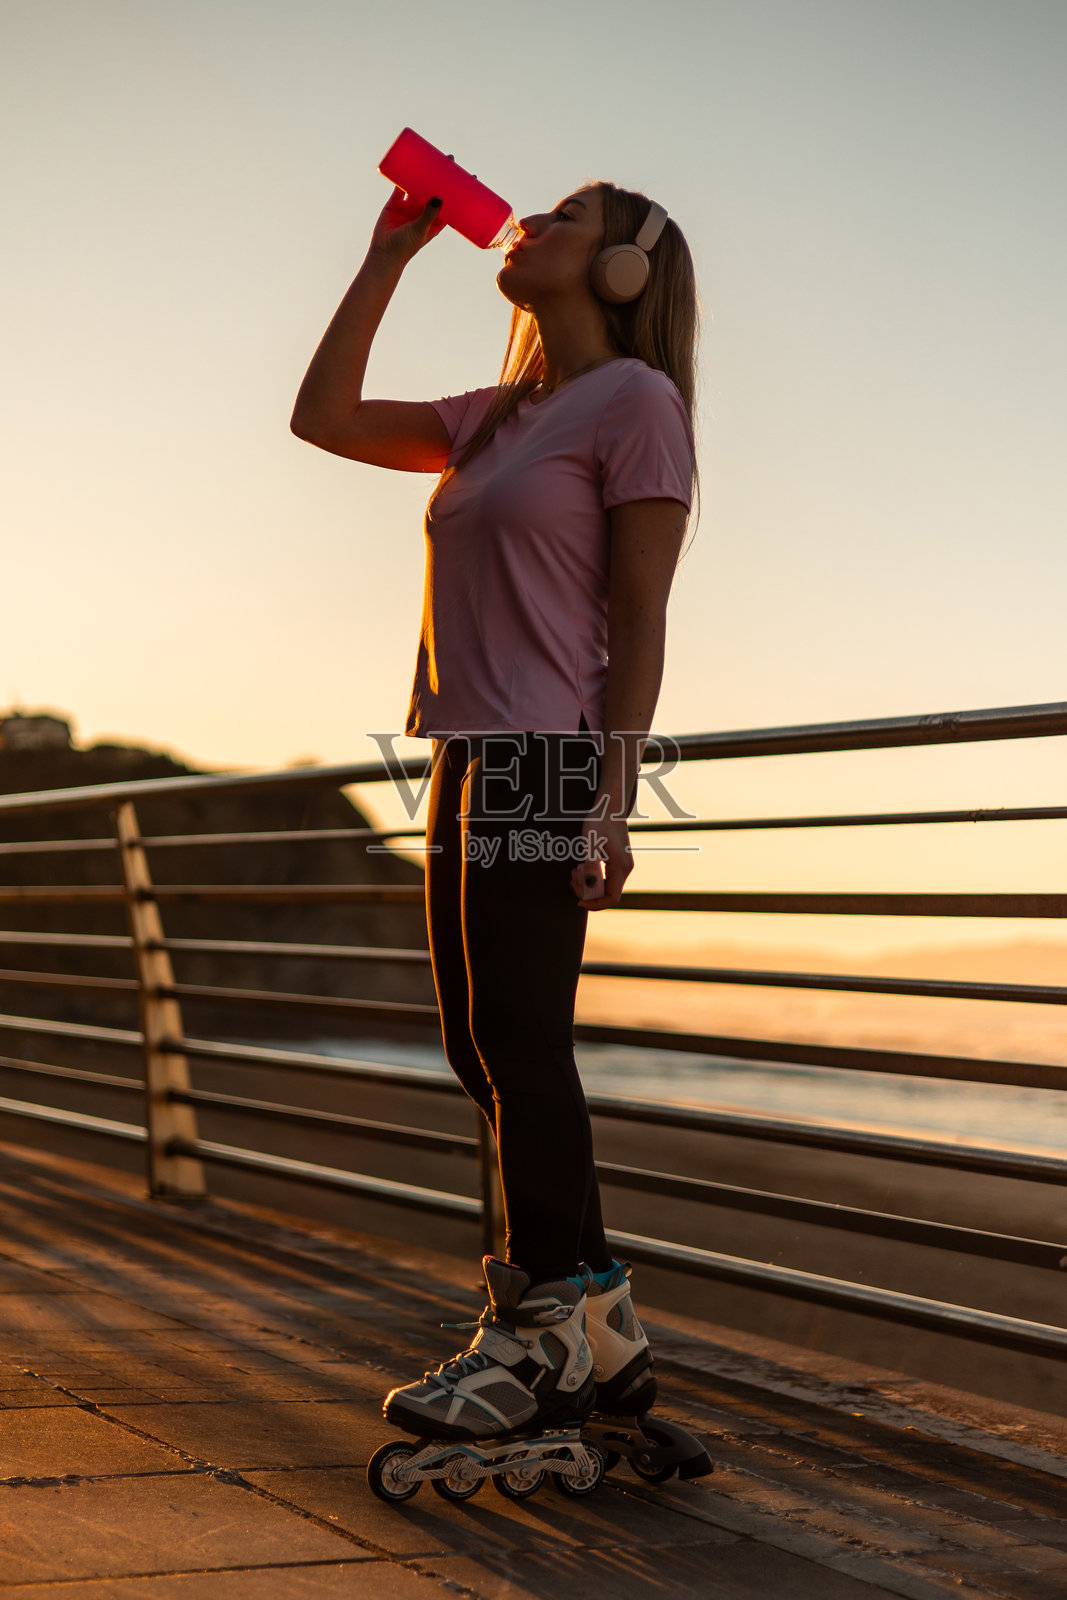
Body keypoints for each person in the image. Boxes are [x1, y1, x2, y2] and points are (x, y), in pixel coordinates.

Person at [291, 178, 698, 1449]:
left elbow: (638, 616)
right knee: (484, 1050)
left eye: (566, 217)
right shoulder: (498, 415)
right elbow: (325, 419)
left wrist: (608, 795)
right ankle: (602, 1323)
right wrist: (383, 259)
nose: (527, 224)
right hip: (464, 748)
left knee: (520, 1042)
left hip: (545, 755)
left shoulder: (636, 404)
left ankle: (535, 1339)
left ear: (625, 270)